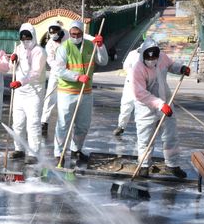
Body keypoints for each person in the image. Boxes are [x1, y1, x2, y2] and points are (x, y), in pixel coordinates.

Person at [130, 38, 190, 178]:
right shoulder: (137, 69)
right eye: (149, 58)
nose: (152, 60)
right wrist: (159, 104)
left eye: (154, 57)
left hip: (166, 103)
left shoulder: (162, 57)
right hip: (146, 108)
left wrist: (180, 68)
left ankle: (172, 165)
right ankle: (144, 166)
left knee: (170, 136)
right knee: (145, 139)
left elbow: (171, 65)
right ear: (143, 54)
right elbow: (140, 93)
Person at [53, 20, 108, 165]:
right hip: (67, 91)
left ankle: (76, 150)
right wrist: (77, 77)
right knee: (63, 124)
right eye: (72, 34)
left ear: (83, 34)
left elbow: (103, 61)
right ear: (69, 33)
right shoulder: (64, 48)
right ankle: (59, 153)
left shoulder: (90, 45)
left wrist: (101, 47)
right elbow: (59, 70)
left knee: (83, 125)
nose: (75, 36)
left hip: (86, 92)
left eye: (78, 34)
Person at [9, 22, 47, 165]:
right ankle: (19, 148)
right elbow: (10, 68)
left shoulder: (40, 51)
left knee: (33, 123)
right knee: (17, 123)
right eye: (23, 37)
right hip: (19, 92)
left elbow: (35, 73)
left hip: (34, 92)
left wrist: (21, 82)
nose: (26, 40)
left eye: (28, 37)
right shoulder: (18, 49)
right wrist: (12, 61)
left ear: (33, 36)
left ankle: (33, 152)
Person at [41, 21, 68, 137]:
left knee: (67, 98)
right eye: (51, 32)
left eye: (55, 31)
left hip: (69, 72)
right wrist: (59, 70)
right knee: (50, 97)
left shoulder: (68, 38)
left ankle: (66, 123)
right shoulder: (49, 44)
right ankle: (44, 122)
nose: (53, 34)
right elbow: (51, 60)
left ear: (60, 30)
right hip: (56, 73)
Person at [113, 44, 142, 136]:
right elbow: (126, 66)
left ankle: (142, 129)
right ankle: (121, 126)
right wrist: (134, 74)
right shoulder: (133, 54)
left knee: (141, 109)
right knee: (126, 106)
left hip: (144, 86)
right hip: (130, 84)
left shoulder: (155, 56)